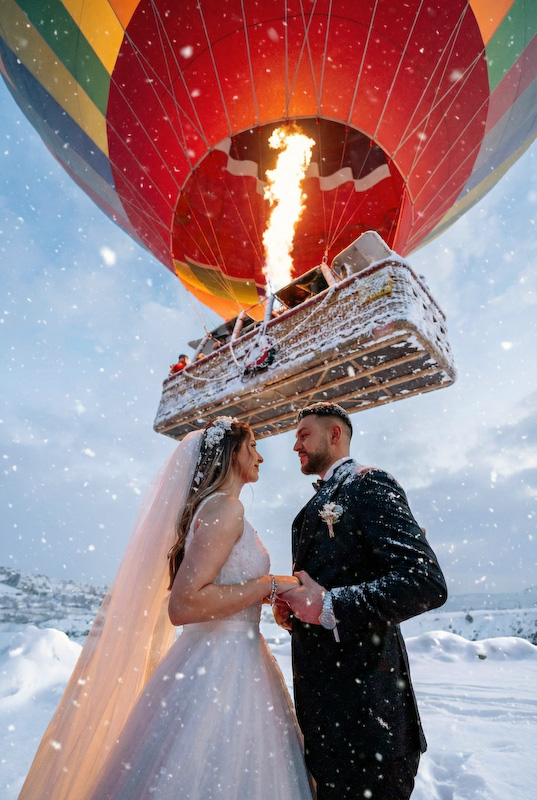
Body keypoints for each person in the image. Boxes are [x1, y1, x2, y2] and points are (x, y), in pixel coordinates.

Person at [84, 417, 314, 800]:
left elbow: (218, 588)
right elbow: (185, 604)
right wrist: (268, 584)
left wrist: (267, 596)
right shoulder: (225, 509)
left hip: (228, 657)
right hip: (222, 668)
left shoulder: (217, 508)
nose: (260, 457)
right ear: (230, 454)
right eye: (252, 446)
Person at [275, 402, 448, 800]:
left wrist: (331, 606)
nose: (295, 446)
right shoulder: (306, 513)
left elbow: (424, 581)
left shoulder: (370, 484)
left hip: (369, 716)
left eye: (303, 435)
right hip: (324, 716)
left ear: (334, 435)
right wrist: (296, 610)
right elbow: (323, 586)